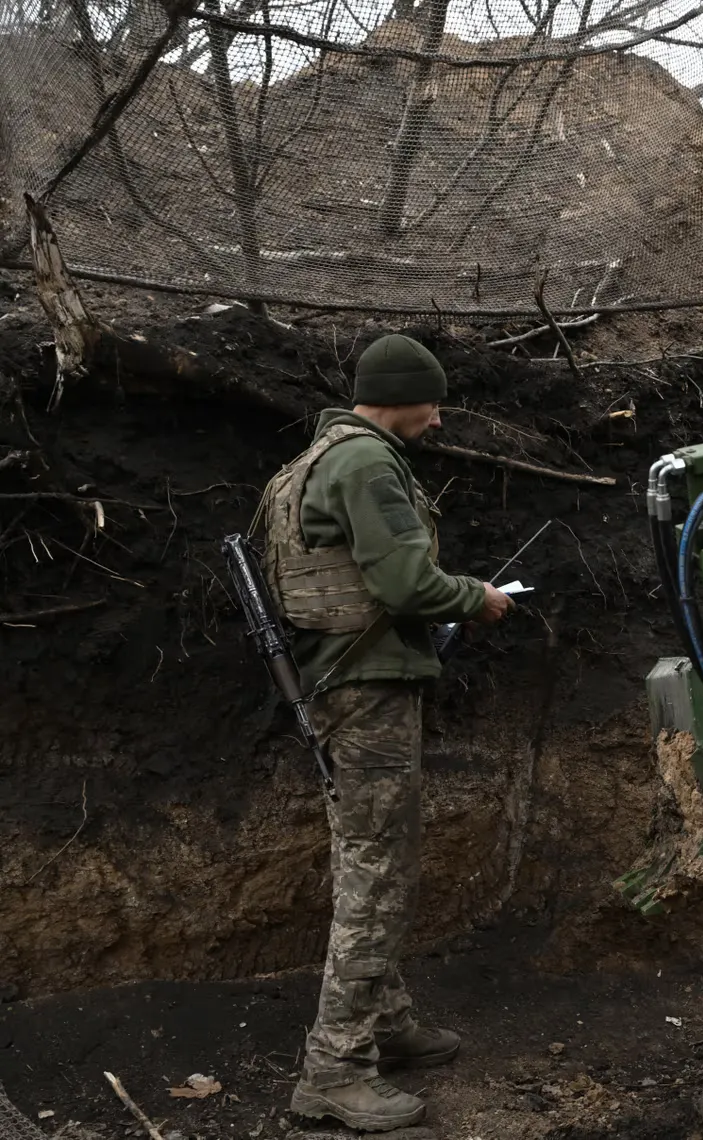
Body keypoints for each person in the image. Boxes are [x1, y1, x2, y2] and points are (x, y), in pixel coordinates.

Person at [256, 332, 513, 1130]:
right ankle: (334, 1070)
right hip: (365, 691)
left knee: (367, 855)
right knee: (377, 871)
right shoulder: (367, 463)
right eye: (433, 403)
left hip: (334, 685)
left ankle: (385, 1023)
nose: (437, 420)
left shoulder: (304, 466)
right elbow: (404, 581)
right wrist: (477, 598)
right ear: (404, 394)